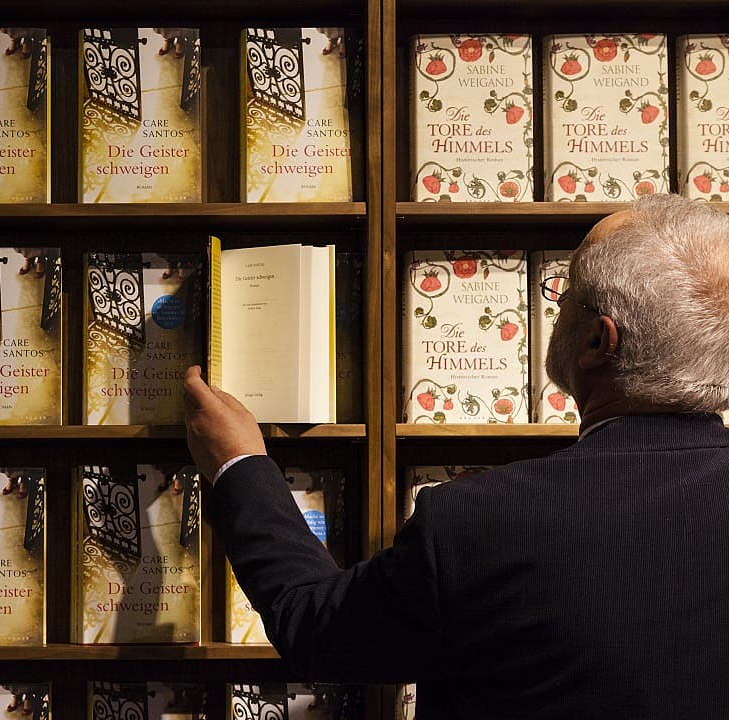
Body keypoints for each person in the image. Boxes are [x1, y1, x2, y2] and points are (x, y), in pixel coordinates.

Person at [184, 193, 729, 717]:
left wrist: (239, 464)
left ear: (595, 343)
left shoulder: (479, 521)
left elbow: (316, 629)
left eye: (565, 293)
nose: (555, 305)